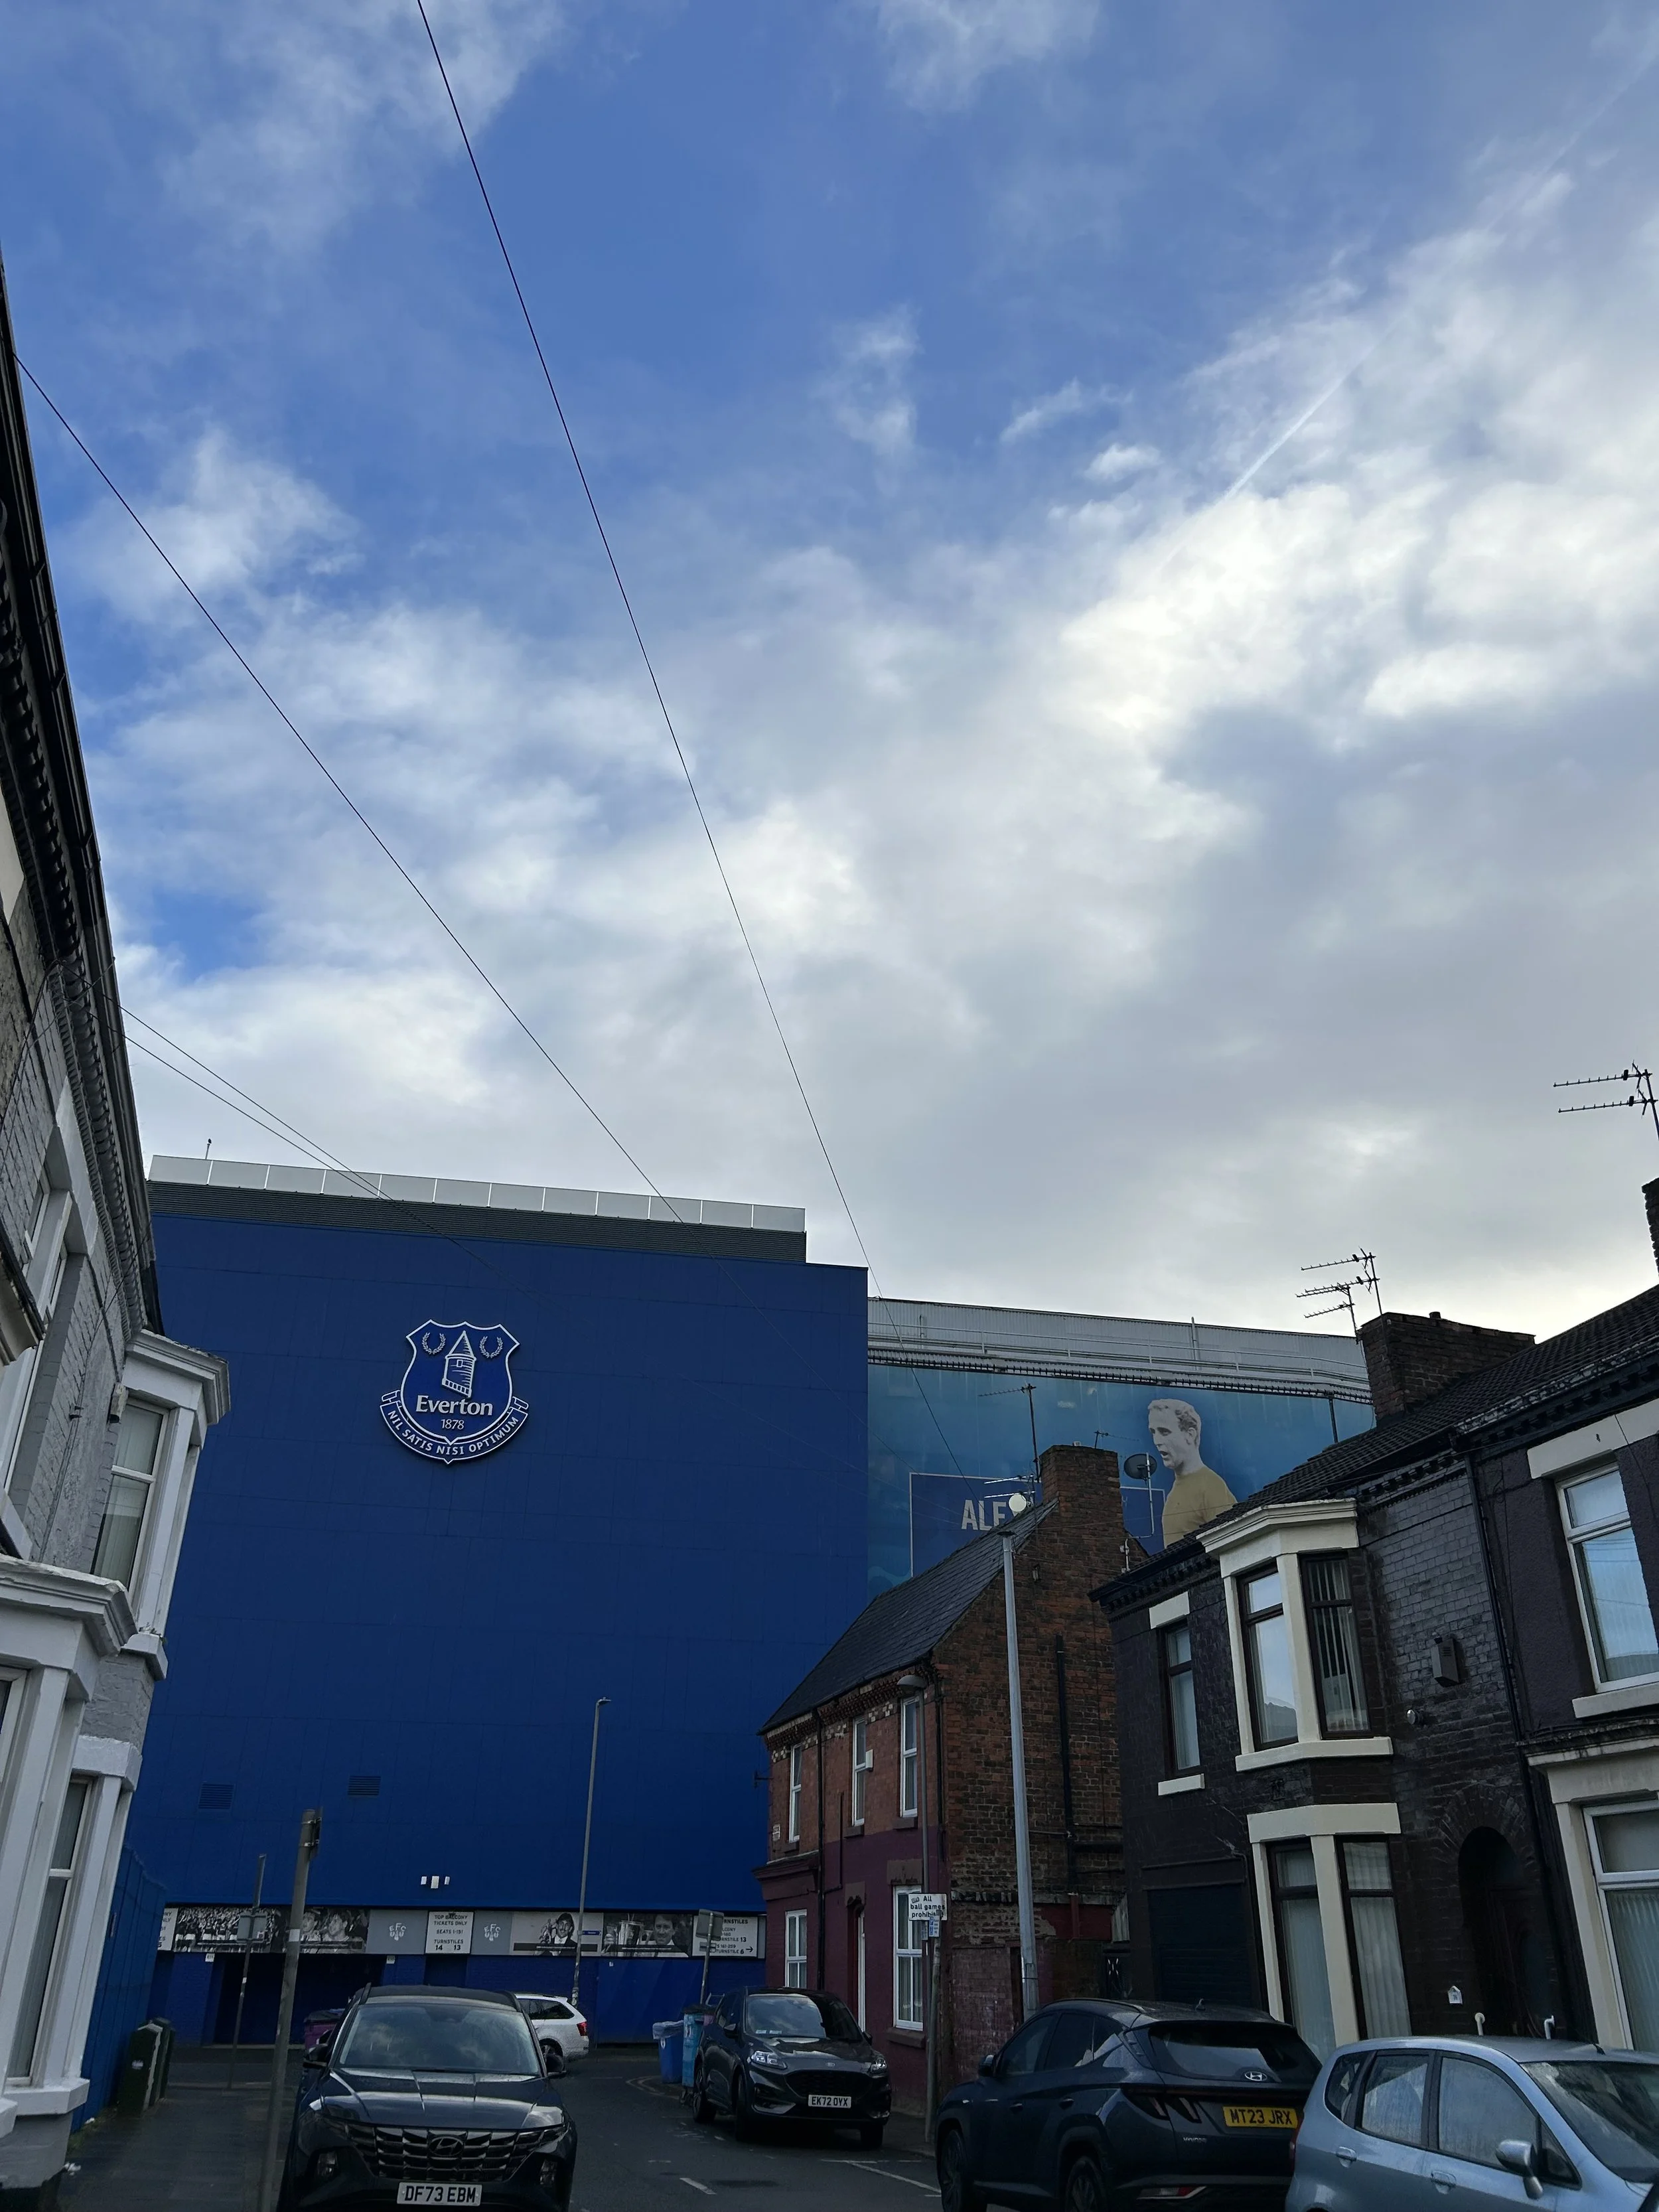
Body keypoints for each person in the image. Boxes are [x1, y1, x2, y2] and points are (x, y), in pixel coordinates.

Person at [1148, 1398, 1235, 1546]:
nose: (1157, 1440)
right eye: (1153, 1432)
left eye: (1164, 1432)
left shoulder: (1211, 1486)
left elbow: (1233, 1544)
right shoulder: (1176, 1490)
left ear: (1190, 1434)